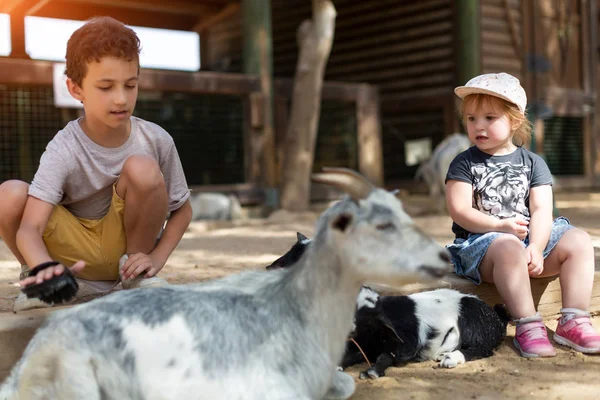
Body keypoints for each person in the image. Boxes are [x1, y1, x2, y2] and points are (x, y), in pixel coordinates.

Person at [0, 16, 192, 312]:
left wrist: (156, 258)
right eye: (105, 87)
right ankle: (40, 282)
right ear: (76, 90)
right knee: (9, 193)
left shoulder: (156, 139)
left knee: (142, 167)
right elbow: (29, 229)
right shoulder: (64, 146)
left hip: (126, 250)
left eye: (130, 85)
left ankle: (135, 276)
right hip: (70, 256)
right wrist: (44, 266)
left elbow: (182, 209)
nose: (121, 98)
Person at [445, 72, 600, 357]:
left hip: (529, 243)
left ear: (514, 120)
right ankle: (527, 324)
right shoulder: (464, 163)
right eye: (471, 119)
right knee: (507, 245)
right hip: (483, 250)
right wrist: (499, 225)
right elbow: (460, 210)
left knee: (578, 239)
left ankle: (574, 320)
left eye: (489, 118)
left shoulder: (533, 162)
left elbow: (542, 209)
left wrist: (539, 248)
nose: (478, 126)